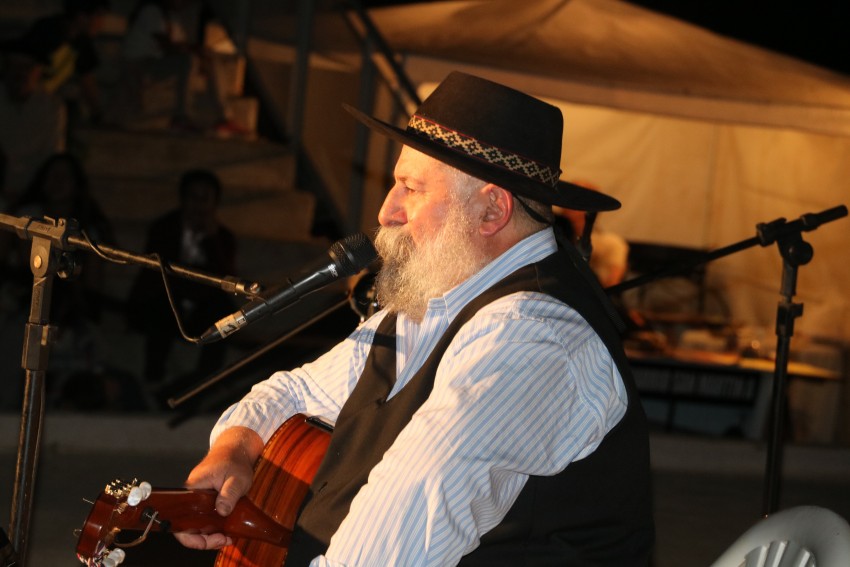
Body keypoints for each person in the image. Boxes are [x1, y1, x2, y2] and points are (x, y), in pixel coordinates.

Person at [177, 72, 654, 565]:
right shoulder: (439, 301)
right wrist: (235, 446)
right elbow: (296, 391)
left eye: (410, 188)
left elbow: (413, 512)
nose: (386, 212)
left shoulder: (535, 340)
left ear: (491, 211)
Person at [125, 168, 236, 387]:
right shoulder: (164, 228)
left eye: (205, 199)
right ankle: (153, 380)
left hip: (202, 305)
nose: (199, 205)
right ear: (183, 200)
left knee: (223, 311)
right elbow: (154, 274)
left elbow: (225, 277)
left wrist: (211, 240)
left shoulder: (223, 237)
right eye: (193, 197)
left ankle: (206, 382)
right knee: (161, 308)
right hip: (166, 298)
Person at [118, 0, 246, 136]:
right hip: (141, 64)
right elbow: (167, 46)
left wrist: (201, 56)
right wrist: (194, 51)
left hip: (159, 61)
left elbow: (181, 45)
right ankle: (181, 117)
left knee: (210, 58)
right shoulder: (151, 11)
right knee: (187, 60)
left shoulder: (172, 18)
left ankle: (224, 117)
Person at [18, 0, 110, 125]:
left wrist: (97, 114)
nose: (101, 23)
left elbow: (87, 79)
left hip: (40, 101)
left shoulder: (81, 42)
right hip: (19, 99)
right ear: (82, 17)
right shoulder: (49, 30)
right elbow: (26, 69)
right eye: (99, 16)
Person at [0, 37, 67, 203]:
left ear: (38, 71)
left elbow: (52, 155)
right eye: (14, 67)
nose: (20, 73)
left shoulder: (52, 106)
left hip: (33, 192)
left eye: (26, 67)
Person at [552, 184, 630, 289]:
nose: (565, 207)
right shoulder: (551, 234)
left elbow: (613, 284)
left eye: (575, 200)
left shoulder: (612, 243)